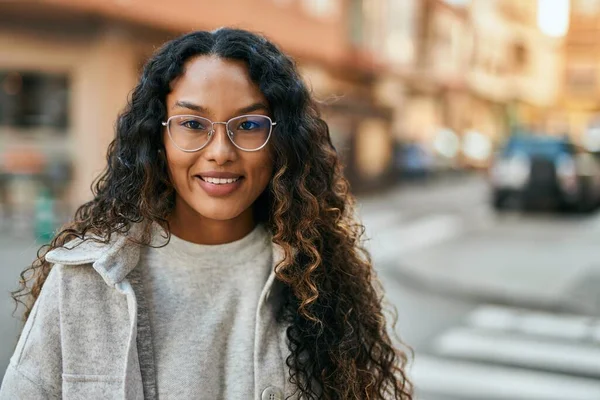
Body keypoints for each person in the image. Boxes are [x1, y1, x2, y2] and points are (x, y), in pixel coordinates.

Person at [0, 28, 412, 399]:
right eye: (193, 124)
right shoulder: (82, 281)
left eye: (249, 124)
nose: (220, 152)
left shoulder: (319, 283)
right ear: (158, 137)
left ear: (281, 142)